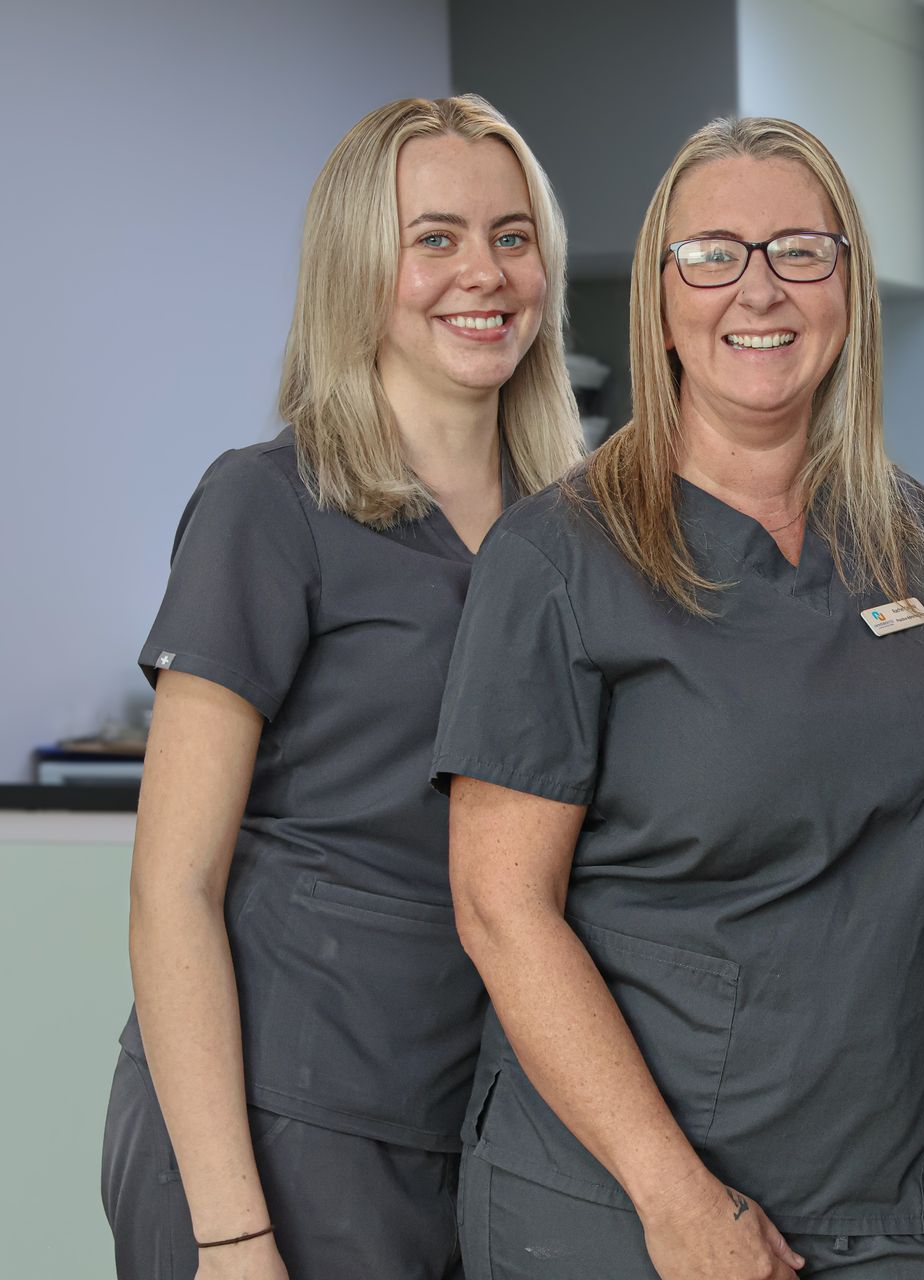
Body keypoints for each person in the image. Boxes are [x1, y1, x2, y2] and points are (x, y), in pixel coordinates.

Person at [431, 116, 924, 1280]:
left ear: (849, 286)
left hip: (894, 1191)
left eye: (803, 248)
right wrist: (673, 1190)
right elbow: (501, 906)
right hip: (624, 1203)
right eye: (713, 254)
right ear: (659, 298)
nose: (761, 288)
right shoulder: (559, 556)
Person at [101, 95, 579, 1278]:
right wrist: (232, 1231)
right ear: (359, 267)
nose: (485, 271)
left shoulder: (572, 529)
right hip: (274, 1130)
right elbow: (174, 884)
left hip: (471, 1124)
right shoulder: (270, 503)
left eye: (513, 236)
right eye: (436, 237)